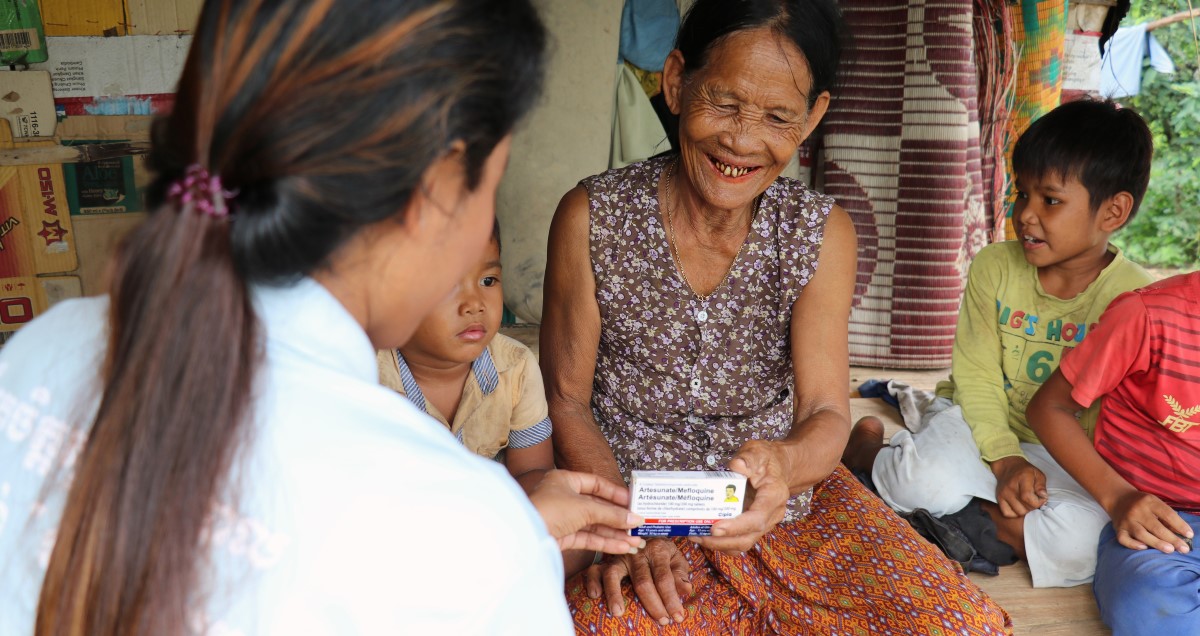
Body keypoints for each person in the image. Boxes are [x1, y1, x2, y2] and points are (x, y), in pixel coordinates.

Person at [0, 0, 644, 633]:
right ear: (435, 193)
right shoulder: (470, 540)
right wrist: (514, 542)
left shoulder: (41, 351)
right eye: (489, 184)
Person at [541, 0, 1012, 632]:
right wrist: (624, 528)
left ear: (814, 116)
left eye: (777, 116)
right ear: (676, 81)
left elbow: (824, 412)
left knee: (957, 622)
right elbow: (568, 400)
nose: (741, 140)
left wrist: (783, 469)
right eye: (724, 103)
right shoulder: (591, 217)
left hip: (787, 509)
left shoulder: (820, 233)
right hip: (633, 514)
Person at [843, 98, 1156, 588]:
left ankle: (947, 516)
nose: (1025, 215)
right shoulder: (995, 267)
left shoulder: (1134, 300)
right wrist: (1006, 459)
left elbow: (1113, 424)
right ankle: (869, 458)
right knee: (920, 480)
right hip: (977, 426)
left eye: (1050, 200)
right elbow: (979, 377)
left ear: (1112, 211)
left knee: (1087, 548)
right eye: (1021, 194)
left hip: (1063, 454)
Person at [1028, 271, 1200, 634]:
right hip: (1165, 522)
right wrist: (1119, 497)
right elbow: (1049, 407)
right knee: (1148, 601)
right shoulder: (1148, 315)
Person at [377, 223, 554, 494]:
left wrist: (549, 495)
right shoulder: (364, 377)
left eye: (488, 281)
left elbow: (531, 471)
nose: (475, 304)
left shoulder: (516, 368)